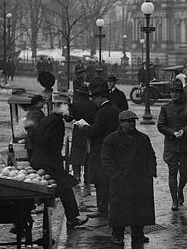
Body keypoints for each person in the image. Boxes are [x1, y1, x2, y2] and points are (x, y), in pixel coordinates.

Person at [30, 97, 88, 230]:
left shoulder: (47, 119)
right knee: (65, 188)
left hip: (38, 159)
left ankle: (72, 218)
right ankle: (72, 219)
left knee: (60, 188)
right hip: (48, 162)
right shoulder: (57, 122)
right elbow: (53, 145)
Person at [101, 110, 157, 245]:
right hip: (121, 179)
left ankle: (138, 233)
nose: (132, 123)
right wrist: (116, 174)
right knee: (119, 209)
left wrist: (150, 172)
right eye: (128, 121)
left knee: (140, 208)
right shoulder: (111, 139)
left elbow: (151, 155)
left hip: (140, 178)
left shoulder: (143, 138)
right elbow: (107, 159)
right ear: (121, 123)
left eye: (133, 121)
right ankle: (117, 234)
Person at [75, 82, 120, 218]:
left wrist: (84, 128)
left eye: (94, 98)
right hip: (113, 149)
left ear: (100, 97)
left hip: (101, 149)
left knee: (101, 181)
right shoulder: (115, 110)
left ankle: (102, 209)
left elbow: (95, 131)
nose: (93, 101)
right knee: (109, 180)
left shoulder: (102, 112)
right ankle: (110, 206)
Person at [158, 79, 187, 211]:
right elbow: (160, 125)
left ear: (181, 93)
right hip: (171, 146)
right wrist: (172, 133)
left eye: (177, 92)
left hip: (186, 146)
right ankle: (174, 200)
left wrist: (185, 131)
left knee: (185, 173)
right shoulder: (165, 108)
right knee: (172, 172)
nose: (174, 94)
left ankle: (180, 189)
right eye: (172, 92)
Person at [68, 84, 98, 194]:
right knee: (88, 156)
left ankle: (76, 178)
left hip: (78, 132)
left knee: (76, 156)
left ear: (80, 94)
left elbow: (70, 118)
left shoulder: (75, 105)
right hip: (89, 132)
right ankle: (87, 182)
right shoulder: (94, 105)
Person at [23, 95, 46, 161]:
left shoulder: (31, 111)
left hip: (31, 141)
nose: (43, 104)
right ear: (38, 102)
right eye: (42, 102)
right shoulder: (36, 113)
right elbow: (35, 127)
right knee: (35, 162)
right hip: (34, 142)